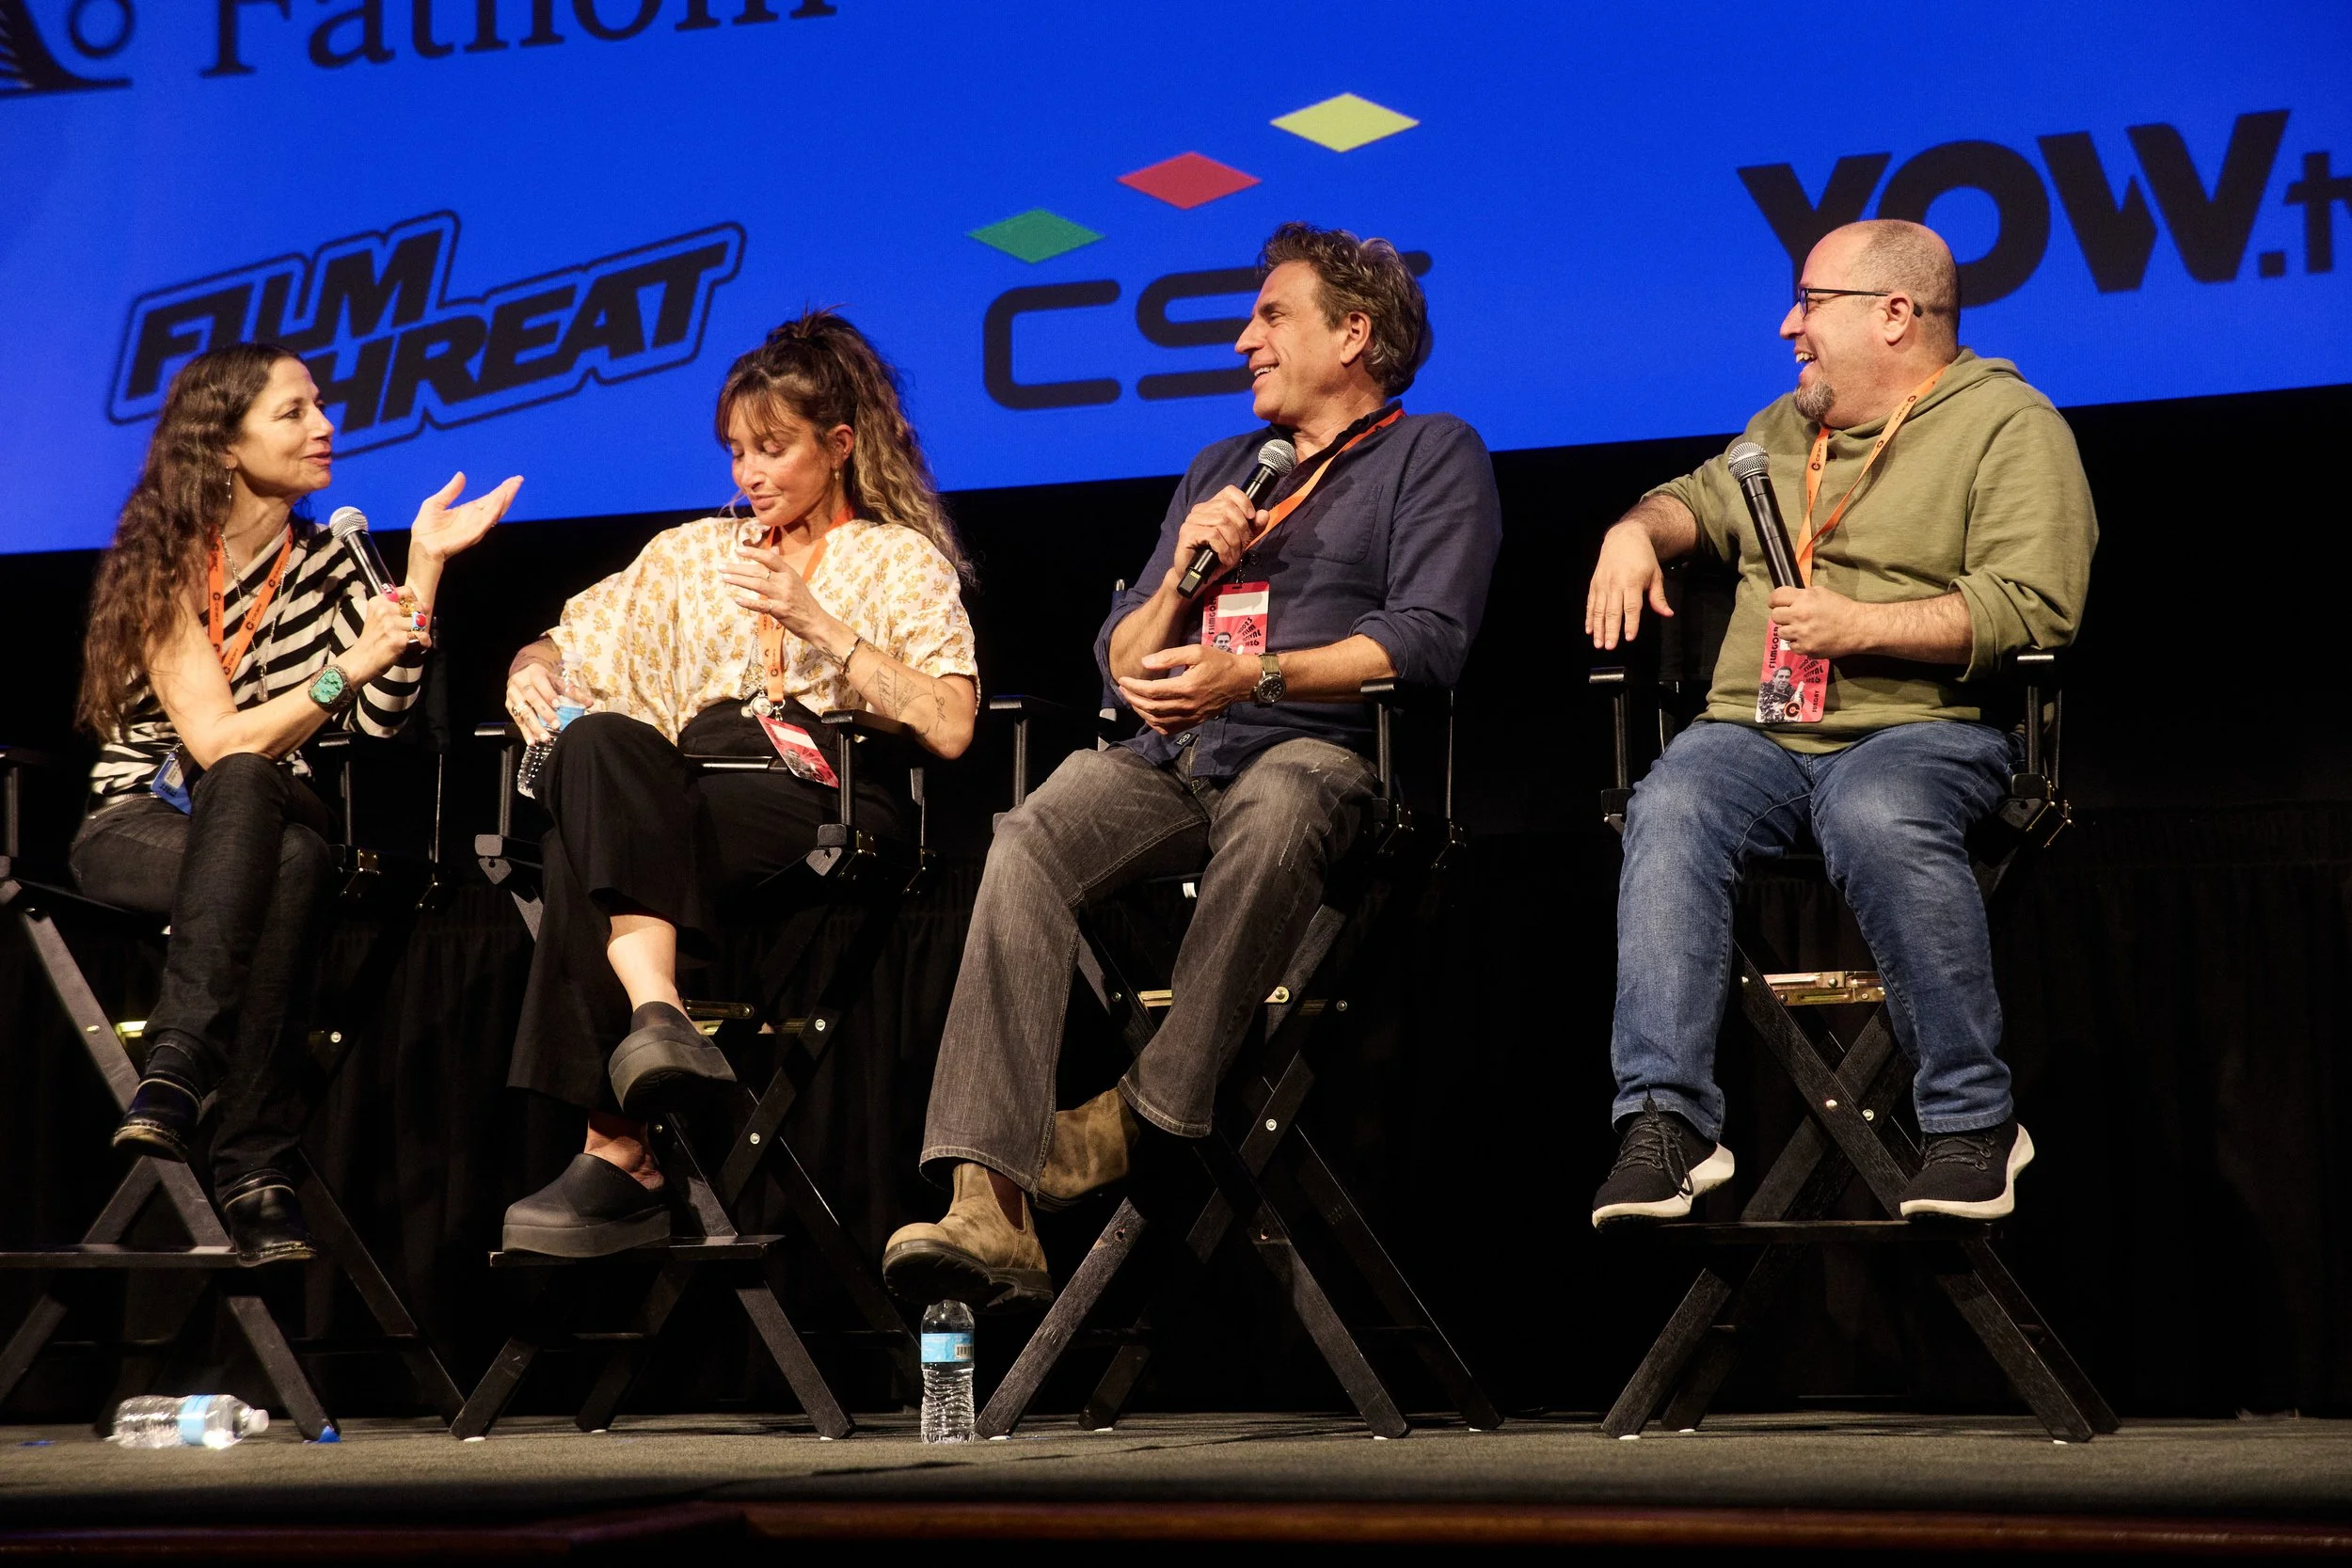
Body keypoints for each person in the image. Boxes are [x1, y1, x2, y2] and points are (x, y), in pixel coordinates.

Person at [884, 222, 1503, 1311]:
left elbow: (1426, 638)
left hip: (1322, 751)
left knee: (1280, 800)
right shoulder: (1223, 468)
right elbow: (1121, 661)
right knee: (1028, 834)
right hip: (1174, 751)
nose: (1242, 341)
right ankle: (990, 1200)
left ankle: (1145, 1109)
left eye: (1270, 317)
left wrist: (1250, 676)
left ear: (1353, 334)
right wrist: (1179, 579)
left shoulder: (1432, 451)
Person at [1583, 219, 2096, 1227]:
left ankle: (1972, 1119)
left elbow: (2034, 607)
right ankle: (1667, 1121)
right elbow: (1692, 501)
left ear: (1895, 315)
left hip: (1925, 727)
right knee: (1671, 802)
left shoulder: (2009, 424)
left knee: (1873, 805)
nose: (1789, 325)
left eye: (1810, 302)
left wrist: (1861, 625)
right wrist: (1632, 532)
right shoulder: (1783, 429)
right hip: (1760, 734)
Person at [497, 310, 978, 1259]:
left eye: (773, 448)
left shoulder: (897, 560)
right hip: (683, 779)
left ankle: (615, 1148)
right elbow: (567, 637)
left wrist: (819, 622)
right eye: (736, 451)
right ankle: (659, 1011)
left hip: (820, 786)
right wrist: (531, 666)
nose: (750, 473)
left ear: (838, 446)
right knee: (594, 743)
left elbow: (952, 723)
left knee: (576, 845)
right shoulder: (689, 552)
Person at [75, 341, 517, 1263]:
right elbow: (214, 742)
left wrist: (423, 568)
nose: (324, 425)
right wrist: (344, 667)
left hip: (276, 797)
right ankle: (255, 1169)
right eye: (293, 411)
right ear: (223, 444)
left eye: (319, 404)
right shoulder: (163, 565)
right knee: (288, 848)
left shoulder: (329, 560)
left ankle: (177, 1063)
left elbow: (384, 717)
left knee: (257, 790)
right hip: (141, 821)